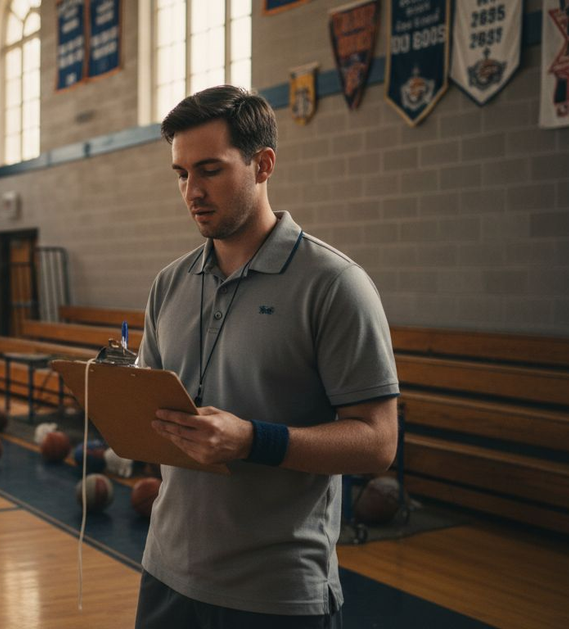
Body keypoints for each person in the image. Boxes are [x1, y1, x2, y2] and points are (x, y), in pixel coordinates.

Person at [134, 85, 400, 628]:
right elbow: (151, 411)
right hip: (166, 576)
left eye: (210, 169)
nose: (193, 191)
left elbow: (377, 442)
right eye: (182, 174)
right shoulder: (168, 284)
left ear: (263, 164)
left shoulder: (336, 285)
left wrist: (254, 440)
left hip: (277, 595)